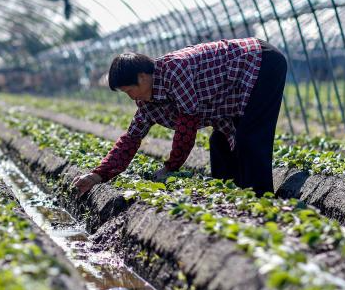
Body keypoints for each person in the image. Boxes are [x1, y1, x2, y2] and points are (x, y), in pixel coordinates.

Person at [72, 37, 287, 197]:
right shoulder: (147, 103)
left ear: (143, 77)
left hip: (260, 62)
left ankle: (262, 197)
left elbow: (187, 124)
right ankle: (234, 194)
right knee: (220, 142)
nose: (131, 97)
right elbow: (131, 140)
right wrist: (97, 175)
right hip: (232, 88)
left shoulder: (175, 70)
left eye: (129, 90)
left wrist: (170, 166)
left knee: (249, 136)